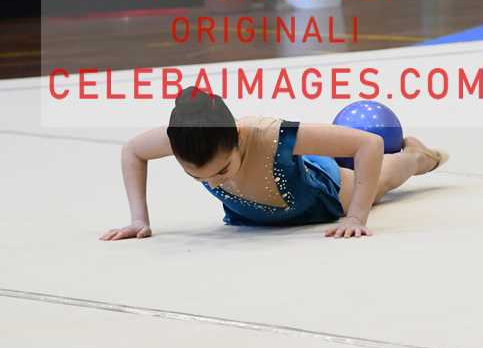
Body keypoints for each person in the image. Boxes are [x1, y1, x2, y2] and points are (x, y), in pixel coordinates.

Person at [100, 88, 448, 241]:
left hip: (318, 195)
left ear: (237, 137)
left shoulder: (269, 134)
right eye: (197, 176)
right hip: (258, 209)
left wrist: (356, 216)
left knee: (381, 180)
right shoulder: (183, 139)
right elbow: (132, 151)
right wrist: (139, 220)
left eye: (222, 170)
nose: (216, 183)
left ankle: (417, 156)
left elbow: (368, 143)